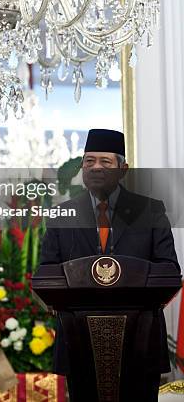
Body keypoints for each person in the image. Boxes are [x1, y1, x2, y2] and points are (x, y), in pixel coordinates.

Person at [40, 128, 180, 402]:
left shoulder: (150, 211)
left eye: (105, 162)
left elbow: (169, 270)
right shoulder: (62, 215)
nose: (96, 168)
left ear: (123, 169)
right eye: (89, 162)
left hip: (140, 339)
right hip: (79, 339)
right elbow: (46, 272)